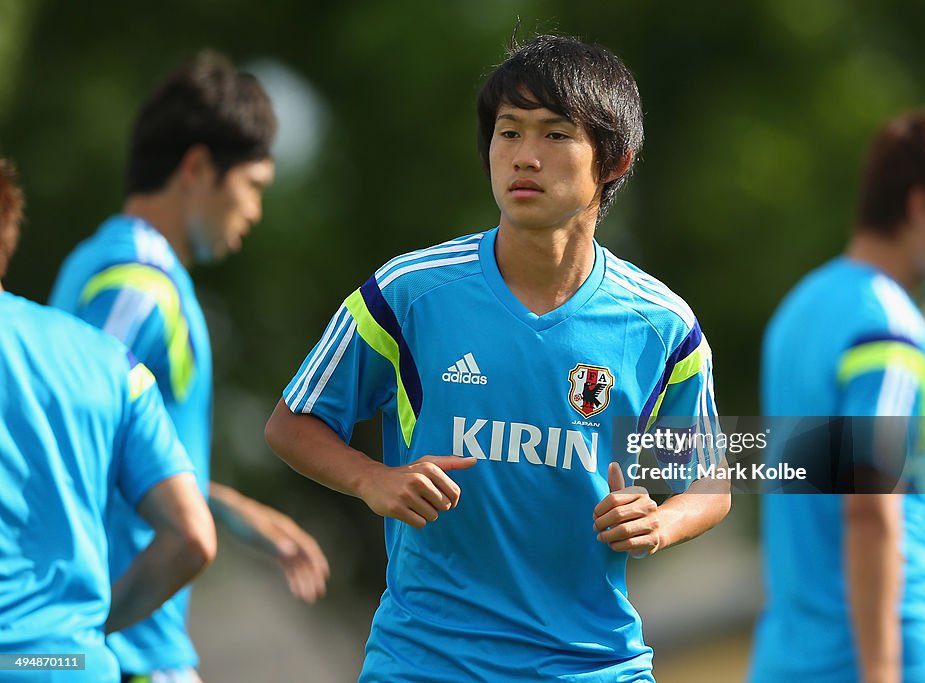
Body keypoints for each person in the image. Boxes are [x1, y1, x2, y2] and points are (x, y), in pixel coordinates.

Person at [265, 34, 731, 682]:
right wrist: (373, 478)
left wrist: (659, 520)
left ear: (614, 160)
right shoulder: (411, 292)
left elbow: (708, 483)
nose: (524, 158)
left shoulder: (661, 326)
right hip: (426, 662)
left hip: (595, 665)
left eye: (554, 135)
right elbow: (292, 423)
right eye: (508, 133)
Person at [49, 51, 329, 682]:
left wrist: (221, 502)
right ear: (198, 167)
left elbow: (120, 460)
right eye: (254, 185)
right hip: (130, 658)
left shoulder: (96, 262)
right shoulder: (140, 290)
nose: (256, 211)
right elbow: (69, 451)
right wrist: (69, 637)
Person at [750, 106, 925, 683]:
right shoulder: (887, 329)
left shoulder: (799, 311)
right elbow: (870, 507)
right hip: (882, 661)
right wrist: (885, 668)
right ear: (923, 208)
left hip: (784, 662)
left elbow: (818, 504)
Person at [0, 159, 216, 683]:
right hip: (75, 664)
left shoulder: (124, 277)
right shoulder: (112, 363)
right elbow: (193, 537)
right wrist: (83, 632)